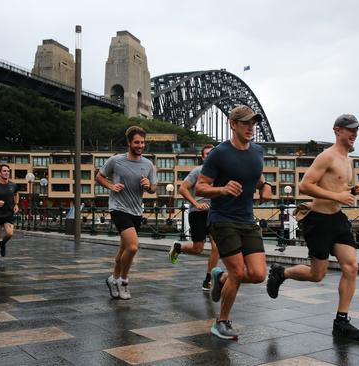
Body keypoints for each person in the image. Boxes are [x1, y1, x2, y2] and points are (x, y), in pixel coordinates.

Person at [266, 114, 359, 340]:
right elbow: (305, 185)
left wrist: (353, 191)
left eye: (356, 130)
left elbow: (338, 187)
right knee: (317, 274)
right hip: (318, 220)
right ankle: (281, 272)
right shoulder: (327, 157)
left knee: (351, 267)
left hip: (337, 219)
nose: (354, 134)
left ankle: (342, 321)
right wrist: (338, 195)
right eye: (350, 130)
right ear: (337, 131)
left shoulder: (348, 160)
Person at [196, 105, 272, 340]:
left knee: (259, 274)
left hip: (247, 220)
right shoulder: (220, 153)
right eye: (245, 123)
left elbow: (258, 176)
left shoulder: (257, 151)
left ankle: (220, 278)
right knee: (238, 272)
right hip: (222, 219)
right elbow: (200, 186)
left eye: (253, 123)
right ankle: (222, 321)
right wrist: (222, 189)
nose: (251, 127)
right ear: (233, 124)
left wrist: (265, 187)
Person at [96, 126, 157, 300]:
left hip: (136, 210)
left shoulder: (148, 164)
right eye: (137, 142)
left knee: (123, 249)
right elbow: (99, 176)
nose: (140, 145)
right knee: (132, 247)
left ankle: (112, 279)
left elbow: (153, 188)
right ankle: (123, 281)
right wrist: (111, 186)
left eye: (142, 142)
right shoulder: (116, 161)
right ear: (129, 143)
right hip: (119, 208)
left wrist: (148, 186)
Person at [168, 144, 219, 291]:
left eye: (212, 153)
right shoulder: (197, 171)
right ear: (203, 157)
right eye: (207, 154)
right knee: (198, 248)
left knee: (217, 247)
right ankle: (178, 248)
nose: (210, 155)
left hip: (214, 213)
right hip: (197, 213)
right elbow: (182, 189)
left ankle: (208, 280)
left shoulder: (221, 173)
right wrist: (196, 203)